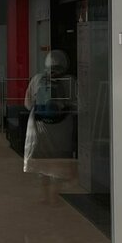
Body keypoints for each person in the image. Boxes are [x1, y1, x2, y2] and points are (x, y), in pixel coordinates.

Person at [23, 50, 78, 201]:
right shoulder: (70, 81)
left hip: (38, 126)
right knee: (59, 163)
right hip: (62, 127)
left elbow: (28, 104)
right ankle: (54, 196)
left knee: (42, 163)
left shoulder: (37, 79)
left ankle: (43, 194)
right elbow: (80, 104)